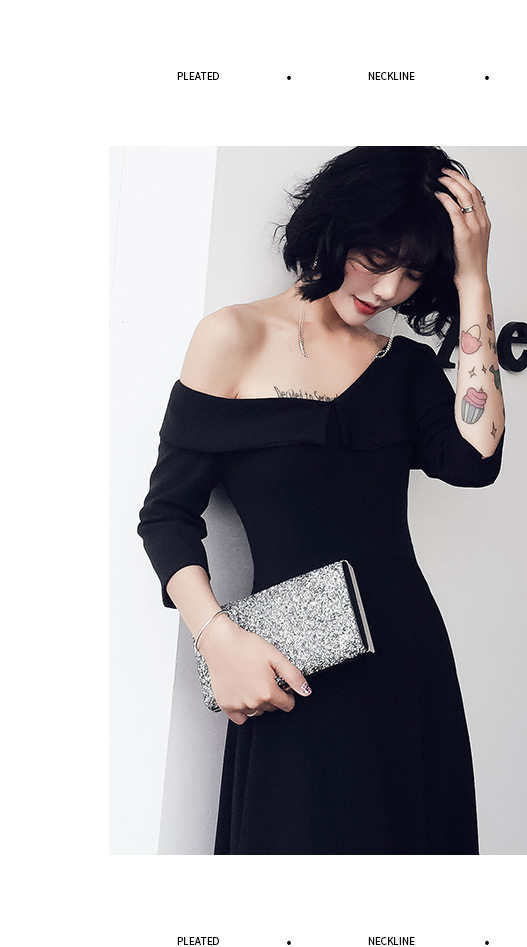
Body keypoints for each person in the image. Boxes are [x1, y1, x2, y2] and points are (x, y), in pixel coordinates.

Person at [137, 146, 506, 854]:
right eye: (376, 259)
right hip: (290, 666)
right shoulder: (232, 337)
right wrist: (218, 639)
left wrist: (474, 280)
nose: (388, 289)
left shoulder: (404, 369)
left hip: (406, 666)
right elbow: (166, 516)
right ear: (334, 229)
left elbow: (476, 459)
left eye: (413, 273)